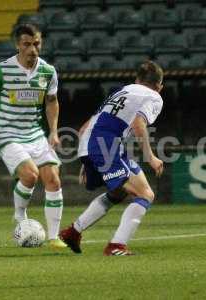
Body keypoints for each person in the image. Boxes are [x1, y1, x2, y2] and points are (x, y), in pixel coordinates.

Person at [59, 61, 164, 256]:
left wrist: (87, 159)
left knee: (118, 193)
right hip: (106, 145)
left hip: (90, 145)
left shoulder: (121, 92)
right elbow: (139, 123)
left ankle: (73, 232)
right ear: (159, 86)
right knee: (145, 195)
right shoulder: (154, 96)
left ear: (137, 79)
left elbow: (85, 127)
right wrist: (151, 157)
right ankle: (116, 245)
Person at [0, 24, 66, 248]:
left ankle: (54, 238)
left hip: (34, 133)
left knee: (52, 178)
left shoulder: (48, 71)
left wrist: (53, 131)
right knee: (31, 175)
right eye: (27, 44)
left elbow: (51, 101)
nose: (32, 49)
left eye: (36, 44)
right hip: (7, 132)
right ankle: (19, 215)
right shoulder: (1, 70)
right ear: (18, 45)